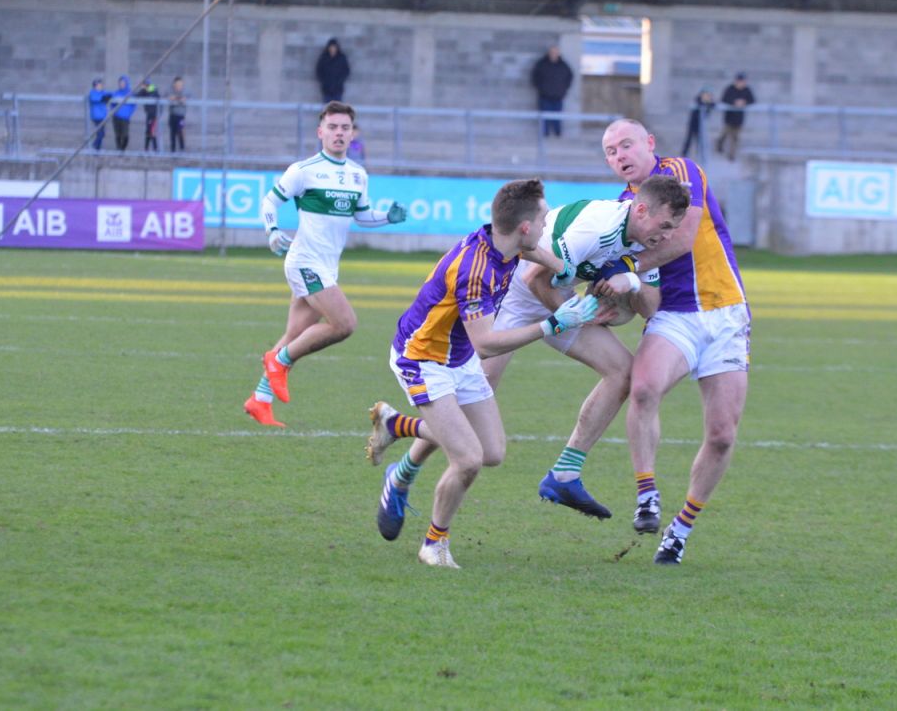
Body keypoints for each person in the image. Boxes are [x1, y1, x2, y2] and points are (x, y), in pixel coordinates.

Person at [365, 176, 690, 529]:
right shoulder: (597, 228)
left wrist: (630, 280)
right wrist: (571, 318)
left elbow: (651, 307)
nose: (669, 235)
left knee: (623, 372)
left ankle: (565, 473)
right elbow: (535, 277)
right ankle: (401, 473)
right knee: (461, 413)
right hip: (513, 298)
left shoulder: (643, 242)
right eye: (666, 225)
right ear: (642, 211)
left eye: (674, 228)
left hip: (559, 304)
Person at [369, 178, 599, 568]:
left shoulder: (504, 240)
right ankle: (433, 544)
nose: (545, 227)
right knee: (468, 460)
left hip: (456, 356)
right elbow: (487, 344)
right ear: (524, 226)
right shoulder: (476, 270)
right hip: (423, 358)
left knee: (492, 452)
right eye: (543, 220)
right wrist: (554, 324)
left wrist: (562, 268)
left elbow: (532, 253)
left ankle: (396, 426)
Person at [601, 118, 751, 566]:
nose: (619, 156)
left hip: (724, 312)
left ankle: (680, 529)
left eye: (626, 145)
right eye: (610, 152)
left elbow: (683, 239)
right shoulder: (622, 211)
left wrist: (625, 268)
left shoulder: (680, 171)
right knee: (643, 387)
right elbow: (633, 284)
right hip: (677, 315)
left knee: (722, 435)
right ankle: (647, 493)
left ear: (649, 143)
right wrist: (610, 291)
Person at [244, 101, 409, 428]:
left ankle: (260, 399)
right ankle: (279, 362)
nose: (339, 133)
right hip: (305, 261)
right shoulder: (303, 170)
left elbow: (362, 216)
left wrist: (386, 217)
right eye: (332, 127)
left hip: (326, 266)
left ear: (352, 134)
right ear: (320, 132)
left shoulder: (357, 175)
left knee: (296, 334)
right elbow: (269, 201)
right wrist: (272, 230)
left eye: (345, 128)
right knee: (345, 323)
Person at [531, 45, 574, 137]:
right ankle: (544, 135)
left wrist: (563, 89)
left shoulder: (563, 66)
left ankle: (557, 134)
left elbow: (569, 77)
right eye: (552, 52)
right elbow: (535, 77)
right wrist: (540, 88)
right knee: (544, 117)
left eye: (555, 52)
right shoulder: (541, 64)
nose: (553, 54)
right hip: (545, 96)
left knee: (557, 117)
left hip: (558, 96)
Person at [714, 72, 755, 161]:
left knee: (735, 137)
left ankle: (732, 155)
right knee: (724, 134)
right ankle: (719, 145)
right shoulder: (730, 89)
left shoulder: (747, 90)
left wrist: (744, 102)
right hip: (729, 118)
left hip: (739, 119)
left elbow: (752, 100)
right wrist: (734, 102)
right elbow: (724, 99)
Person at [680, 87, 715, 158]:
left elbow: (713, 104)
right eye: (705, 94)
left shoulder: (709, 102)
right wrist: (705, 102)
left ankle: (701, 156)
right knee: (689, 139)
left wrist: (709, 102)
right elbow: (699, 103)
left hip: (702, 125)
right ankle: (684, 154)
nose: (707, 96)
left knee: (701, 141)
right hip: (694, 123)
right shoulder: (698, 100)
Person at [315, 37, 350, 103]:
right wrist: (324, 82)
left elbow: (346, 71)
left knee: (337, 109)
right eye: (331, 47)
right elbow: (319, 71)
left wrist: (339, 81)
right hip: (326, 89)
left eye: (334, 47)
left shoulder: (341, 58)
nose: (332, 49)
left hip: (338, 89)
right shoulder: (324, 58)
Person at [135, 78, 161, 152]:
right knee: (148, 131)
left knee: (152, 131)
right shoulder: (144, 91)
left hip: (154, 115)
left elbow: (155, 96)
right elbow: (137, 95)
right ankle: (146, 148)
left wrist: (145, 90)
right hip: (148, 114)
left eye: (144, 85)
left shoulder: (154, 90)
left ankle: (155, 149)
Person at [111, 75, 135, 152]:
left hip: (125, 118)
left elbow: (133, 105)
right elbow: (112, 104)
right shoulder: (116, 93)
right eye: (120, 83)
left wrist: (129, 113)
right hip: (116, 117)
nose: (122, 84)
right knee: (117, 134)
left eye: (123, 83)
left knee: (125, 135)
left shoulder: (130, 94)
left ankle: (122, 148)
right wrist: (114, 111)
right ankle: (118, 149)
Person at [87, 77, 111, 152]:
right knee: (100, 133)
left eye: (101, 85)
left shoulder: (102, 92)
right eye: (98, 85)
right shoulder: (93, 93)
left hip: (103, 116)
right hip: (97, 116)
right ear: (95, 86)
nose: (100, 86)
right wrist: (104, 98)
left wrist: (108, 96)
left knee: (101, 134)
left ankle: (97, 149)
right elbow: (96, 99)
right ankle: (94, 146)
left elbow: (111, 94)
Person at [167, 76, 187, 152]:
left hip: (181, 116)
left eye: (180, 85)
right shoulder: (170, 91)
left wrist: (181, 99)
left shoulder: (185, 91)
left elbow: (188, 97)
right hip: (172, 115)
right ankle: (173, 150)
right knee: (172, 133)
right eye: (177, 85)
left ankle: (182, 148)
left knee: (180, 131)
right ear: (174, 84)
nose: (179, 86)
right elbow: (166, 96)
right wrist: (173, 98)